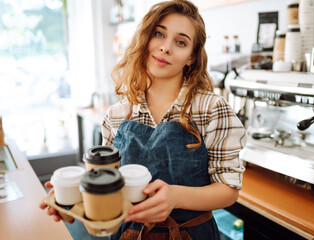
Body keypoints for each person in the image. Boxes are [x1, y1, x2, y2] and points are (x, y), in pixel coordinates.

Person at [40, 0, 247, 239]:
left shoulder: (211, 109)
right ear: (146, 39)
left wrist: (176, 196)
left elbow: (228, 189)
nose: (166, 47)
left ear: (191, 57)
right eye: (159, 34)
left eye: (181, 42)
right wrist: (75, 202)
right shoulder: (117, 114)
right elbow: (110, 185)